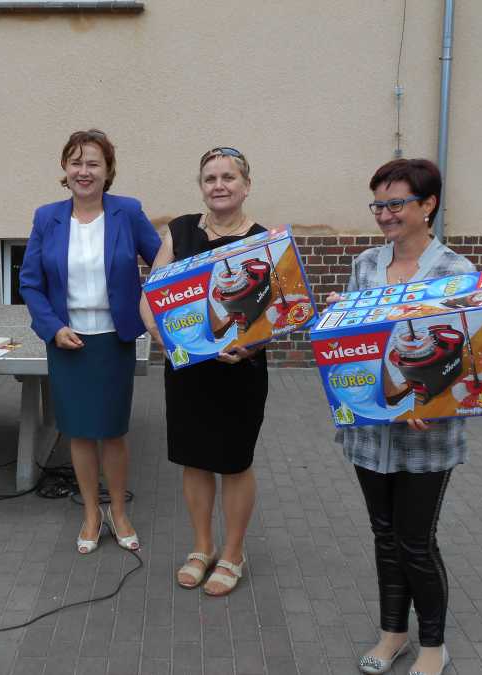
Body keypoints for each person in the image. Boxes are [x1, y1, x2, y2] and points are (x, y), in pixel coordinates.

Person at [327, 159, 473, 675]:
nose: (384, 214)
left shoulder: (456, 273)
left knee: (415, 542)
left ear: (427, 205)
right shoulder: (366, 264)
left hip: (427, 438)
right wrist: (337, 319)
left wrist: (429, 405)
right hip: (372, 432)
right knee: (385, 537)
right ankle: (392, 634)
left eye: (395, 204)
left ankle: (433, 645)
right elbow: (357, 348)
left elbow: (469, 360)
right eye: (378, 204)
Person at [19, 129, 161, 555]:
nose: (84, 171)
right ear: (65, 168)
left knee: (113, 432)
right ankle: (90, 514)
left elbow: (163, 264)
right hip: (67, 341)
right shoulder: (47, 218)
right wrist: (52, 328)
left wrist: (158, 307)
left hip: (113, 340)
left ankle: (118, 510)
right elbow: (30, 283)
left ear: (108, 170)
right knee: (79, 433)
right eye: (76, 162)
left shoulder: (127, 212)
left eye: (93, 163)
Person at [140, 147, 267, 596]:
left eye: (228, 177)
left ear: (246, 186)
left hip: (240, 371)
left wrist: (252, 345)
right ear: (201, 186)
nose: (219, 185)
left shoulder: (263, 242)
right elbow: (152, 294)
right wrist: (162, 334)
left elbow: (277, 312)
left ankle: (233, 552)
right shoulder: (179, 231)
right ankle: (202, 547)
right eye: (210, 178)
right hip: (189, 369)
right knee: (193, 459)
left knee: (234, 462)